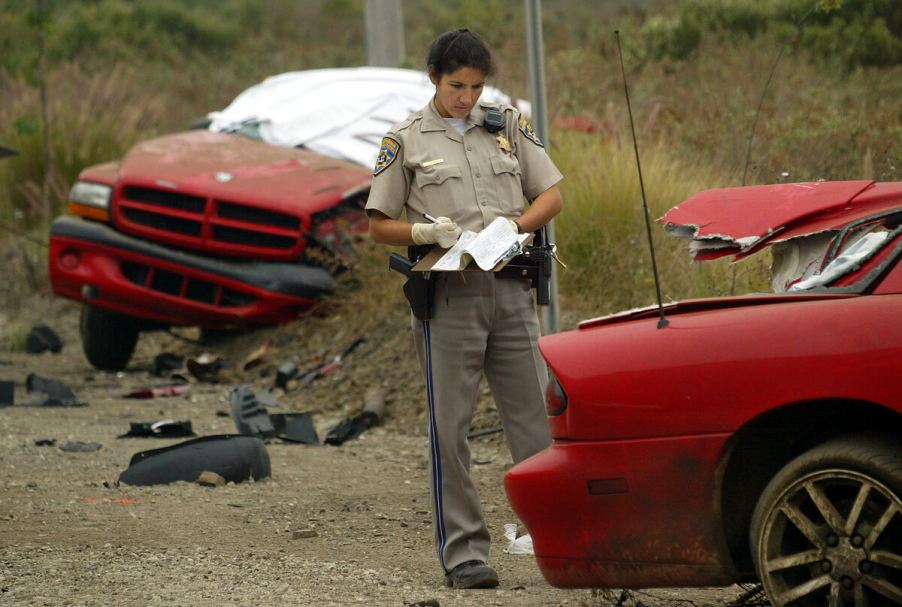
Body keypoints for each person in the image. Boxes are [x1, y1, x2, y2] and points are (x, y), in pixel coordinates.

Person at [366, 28, 563, 589]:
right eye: (457, 86)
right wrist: (423, 229)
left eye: (476, 87)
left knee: (535, 421)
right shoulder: (404, 140)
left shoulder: (507, 128)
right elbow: (378, 224)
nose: (466, 98)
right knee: (449, 429)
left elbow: (551, 195)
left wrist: (516, 227)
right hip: (447, 298)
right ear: (434, 78)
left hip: (509, 290)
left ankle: (557, 538)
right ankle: (465, 553)